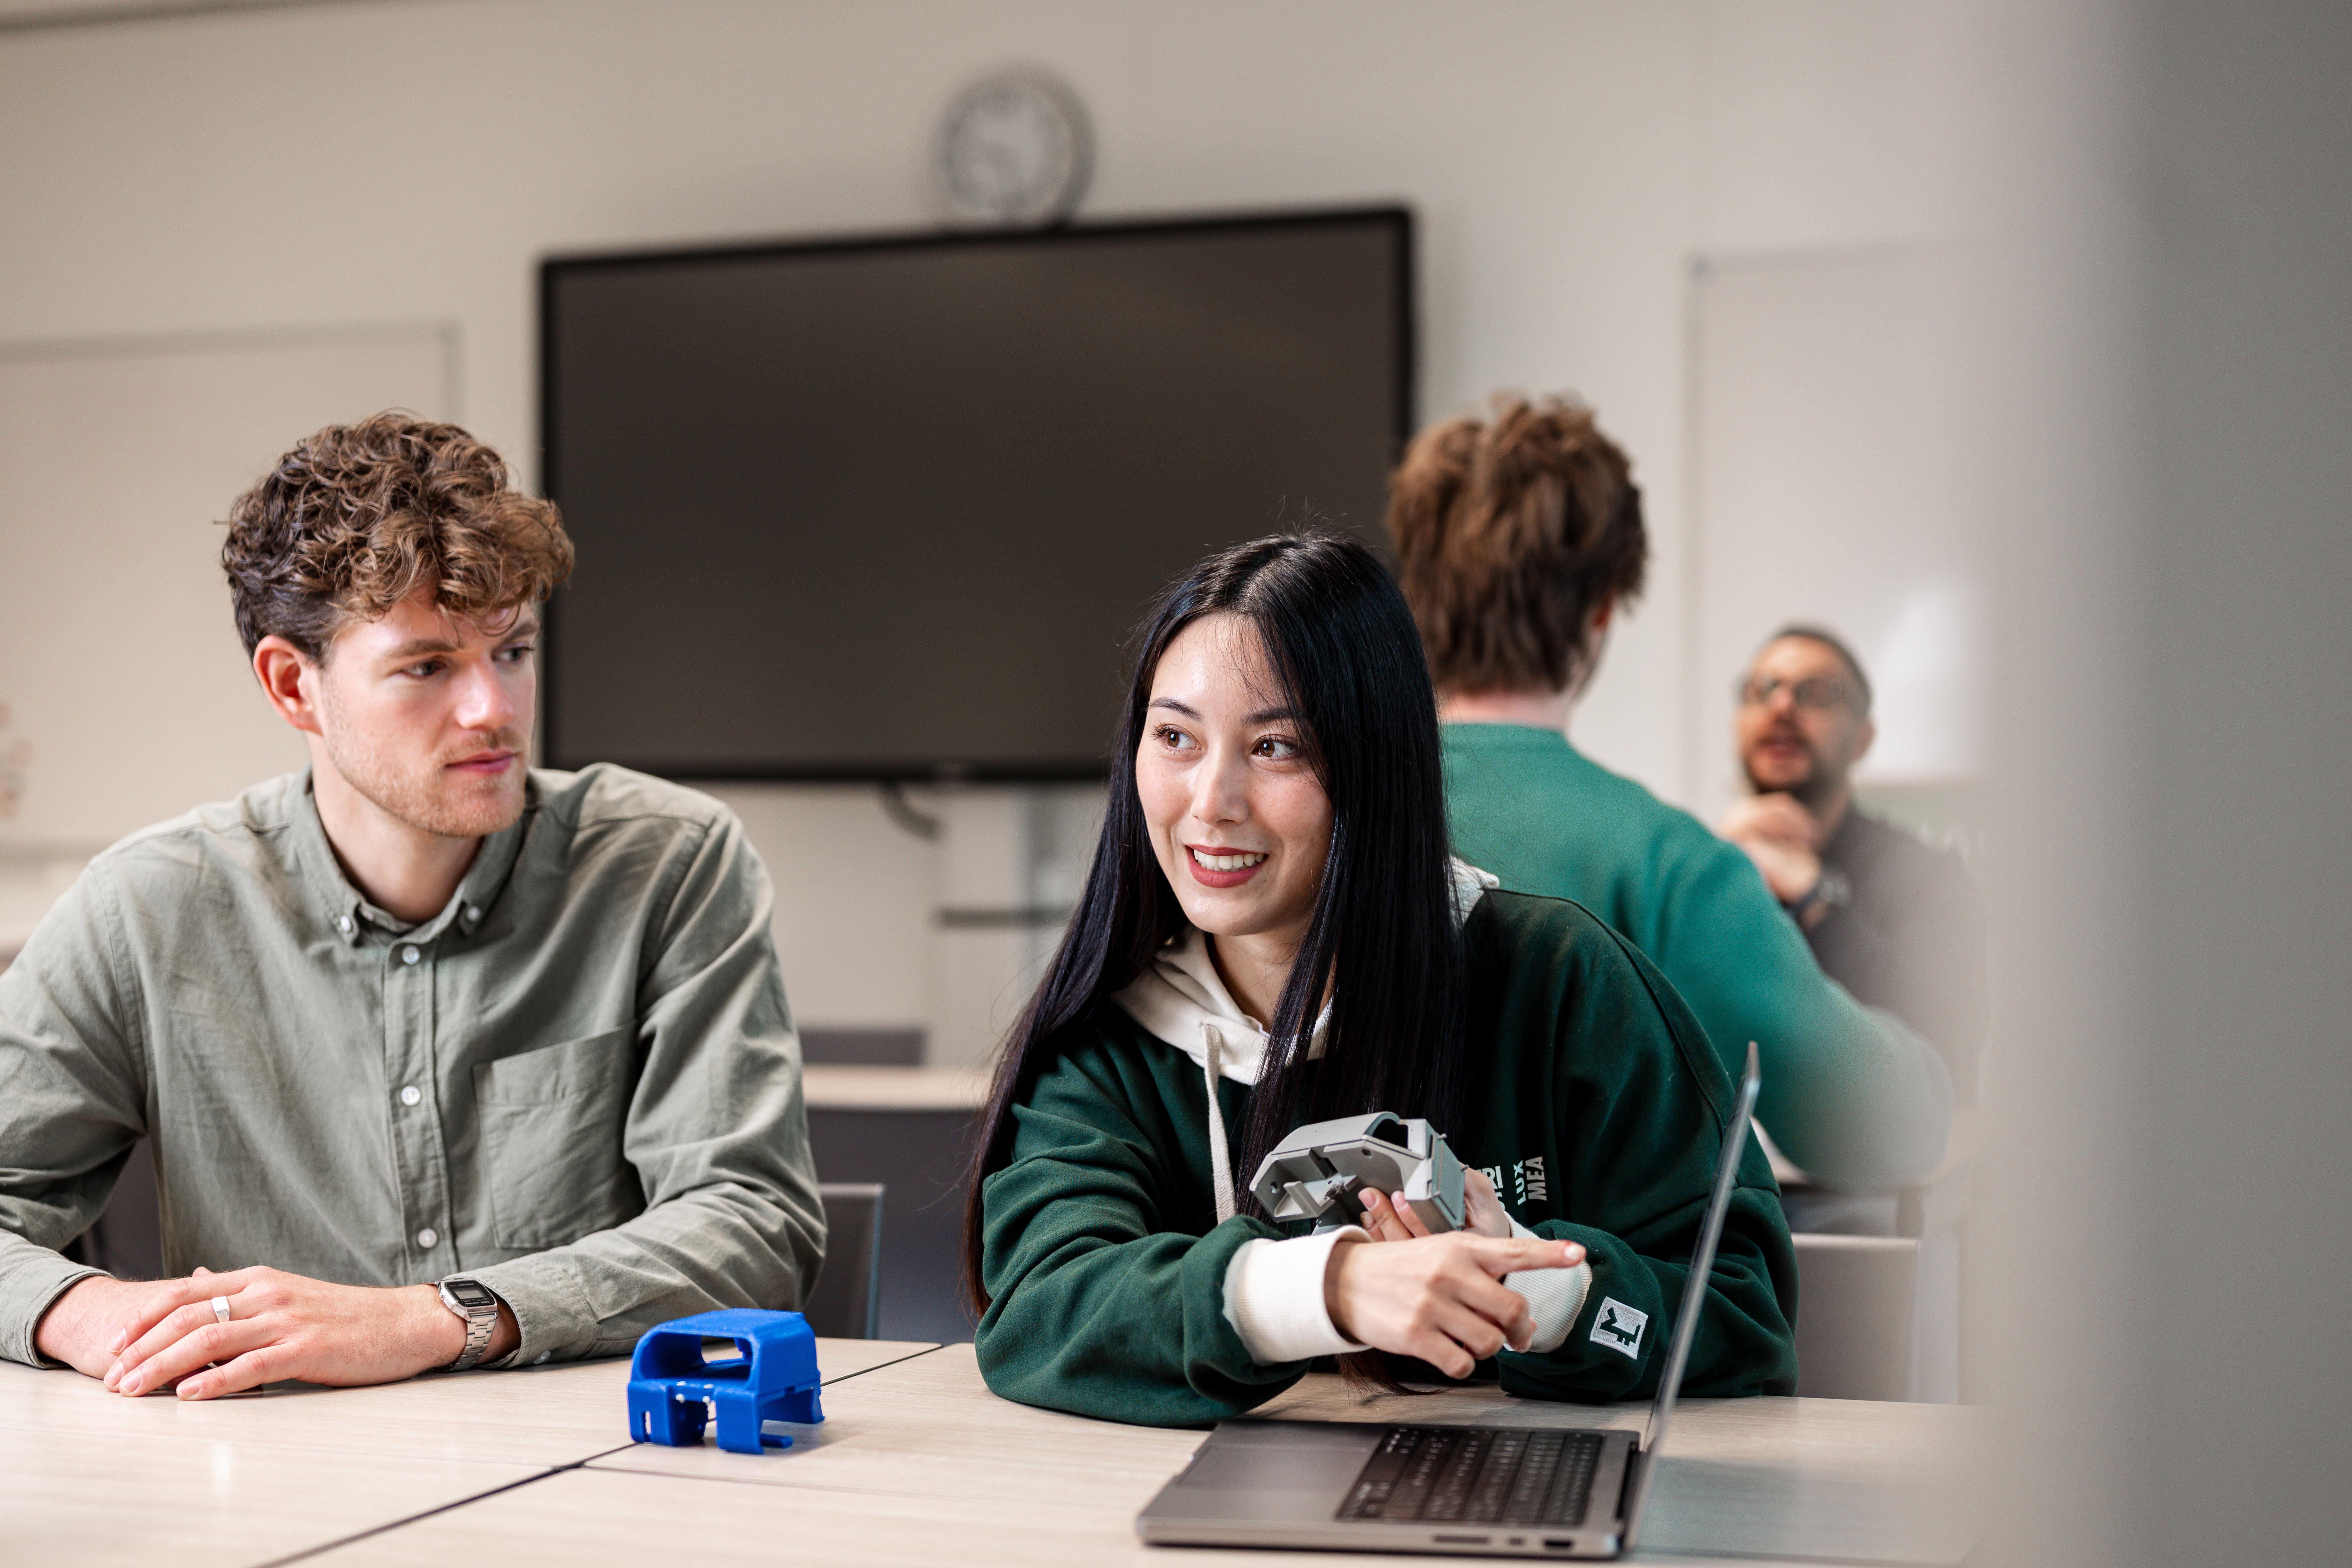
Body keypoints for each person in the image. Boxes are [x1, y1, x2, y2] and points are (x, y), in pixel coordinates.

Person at [0, 413, 823, 1397]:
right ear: (293, 686)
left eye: (512, 650)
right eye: (427, 666)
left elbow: (753, 1225)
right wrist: (87, 1312)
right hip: (270, 1461)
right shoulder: (148, 906)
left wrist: (431, 1318)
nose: (495, 710)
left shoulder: (668, 862)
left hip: (594, 1460)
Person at [963, 534, 1795, 1428]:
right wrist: (1330, 1286)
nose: (1209, 800)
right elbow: (1040, 1308)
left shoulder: (1561, 982)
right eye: (1174, 738)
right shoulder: (1112, 1042)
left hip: (1502, 1490)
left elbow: (1742, 1319)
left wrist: (1531, 1285)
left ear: (1375, 768)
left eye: (1274, 746)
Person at [1388, 395, 1952, 1191]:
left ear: (1417, 598)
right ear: (1601, 611)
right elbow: (1888, 1124)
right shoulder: (1671, 870)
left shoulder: (1316, 819)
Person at [1718, 627, 1990, 1099]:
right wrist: (1713, 865)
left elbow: (1943, 1043)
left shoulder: (1929, 878)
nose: (1781, 707)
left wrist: (1812, 895)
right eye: (1761, 690)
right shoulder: (1712, 865)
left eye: (1816, 692)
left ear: (1862, 738)